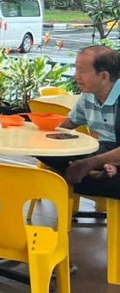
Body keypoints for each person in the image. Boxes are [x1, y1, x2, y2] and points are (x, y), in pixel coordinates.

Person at [39, 45, 120, 197]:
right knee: (42, 149)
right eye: (76, 69)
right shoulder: (88, 95)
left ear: (104, 77)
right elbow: (71, 122)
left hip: (110, 153)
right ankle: (92, 173)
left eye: (82, 71)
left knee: (72, 171)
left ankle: (87, 172)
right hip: (98, 151)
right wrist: (38, 126)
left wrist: (89, 163)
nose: (76, 76)